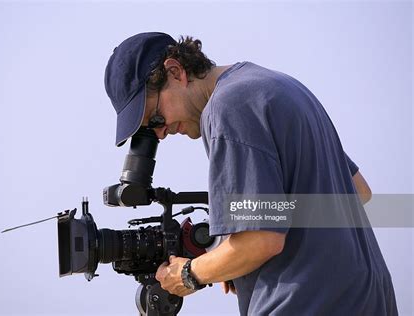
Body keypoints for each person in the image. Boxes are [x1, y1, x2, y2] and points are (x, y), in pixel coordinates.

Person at [104, 32, 398, 315]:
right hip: (369, 298)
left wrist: (189, 274)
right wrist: (233, 256)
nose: (161, 132)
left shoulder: (227, 108)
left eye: (155, 117)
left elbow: (262, 240)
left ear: (175, 71)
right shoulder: (275, 86)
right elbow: (358, 191)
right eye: (150, 130)